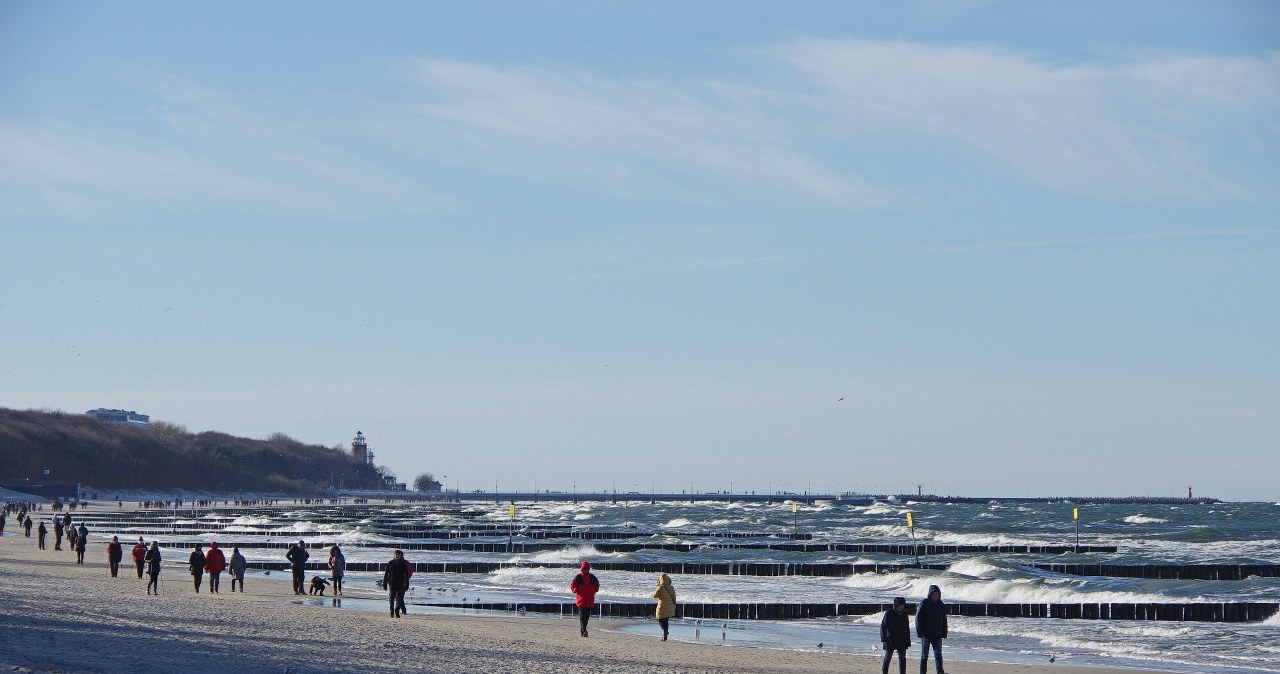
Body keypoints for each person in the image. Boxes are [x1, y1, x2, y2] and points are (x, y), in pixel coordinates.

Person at [916, 585, 947, 674]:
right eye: (934, 594)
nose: (935, 595)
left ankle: (940, 672)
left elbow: (944, 619)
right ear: (930, 594)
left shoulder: (941, 604)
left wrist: (944, 633)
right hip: (926, 634)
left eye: (937, 594)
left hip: (937, 634)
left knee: (938, 655)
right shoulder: (924, 603)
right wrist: (919, 632)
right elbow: (918, 618)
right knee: (924, 656)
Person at [881, 596, 912, 674]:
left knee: (902, 658)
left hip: (901, 639)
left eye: (902, 606)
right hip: (890, 639)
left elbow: (907, 628)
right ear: (896, 606)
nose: (901, 607)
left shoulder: (905, 614)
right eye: (899, 606)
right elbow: (883, 626)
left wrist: (908, 640)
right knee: (888, 657)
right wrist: (883, 638)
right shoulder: (889, 613)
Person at [570, 561, 600, 637]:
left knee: (587, 617)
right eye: (584, 569)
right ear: (582, 569)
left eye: (587, 569)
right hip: (581, 600)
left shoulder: (592, 577)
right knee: (582, 616)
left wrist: (595, 590)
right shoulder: (578, 577)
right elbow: (573, 586)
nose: (586, 570)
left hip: (589, 600)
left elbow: (597, 584)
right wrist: (576, 590)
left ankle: (583, 630)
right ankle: (584, 631)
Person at [382, 550, 410, 618]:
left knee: (400, 597)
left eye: (398, 554)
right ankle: (391, 610)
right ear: (394, 555)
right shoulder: (390, 563)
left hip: (400, 583)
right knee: (392, 596)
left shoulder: (403, 564)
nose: (397, 556)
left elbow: (406, 575)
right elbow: (386, 574)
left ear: (400, 555)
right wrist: (384, 583)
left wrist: (407, 584)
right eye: (396, 554)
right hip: (392, 583)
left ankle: (397, 610)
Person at [653, 572, 676, 641]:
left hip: (662, 606)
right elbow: (674, 597)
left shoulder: (660, 588)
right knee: (666, 620)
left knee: (660, 619)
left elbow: (655, 596)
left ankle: (665, 631)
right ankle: (665, 635)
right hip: (670, 606)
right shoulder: (671, 588)